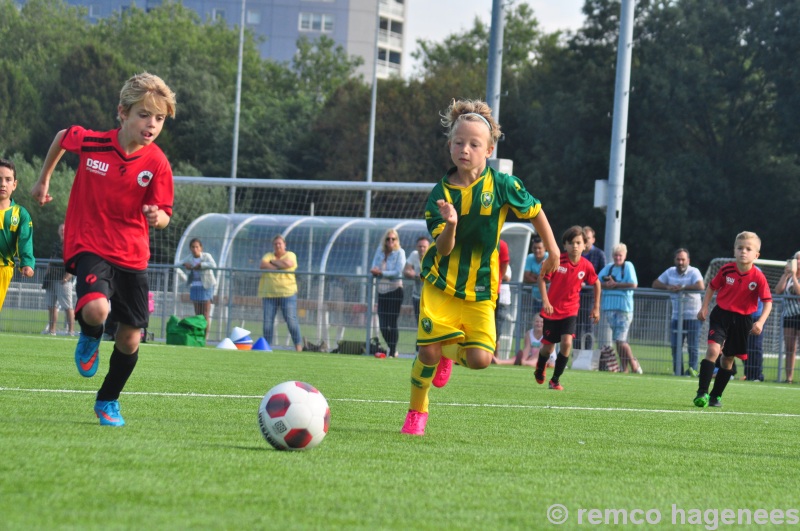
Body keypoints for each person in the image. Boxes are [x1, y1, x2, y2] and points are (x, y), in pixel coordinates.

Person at [400, 99, 560, 436]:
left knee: (480, 360)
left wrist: (554, 250)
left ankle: (450, 353)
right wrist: (452, 224)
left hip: (482, 287)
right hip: (440, 282)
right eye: (459, 143)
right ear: (449, 146)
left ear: (488, 150)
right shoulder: (439, 195)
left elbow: (535, 211)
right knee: (427, 352)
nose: (465, 149)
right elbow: (443, 248)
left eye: (474, 144)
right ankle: (417, 410)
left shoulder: (502, 185)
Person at [31, 72, 177, 427]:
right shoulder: (94, 143)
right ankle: (90, 334)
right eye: (144, 114)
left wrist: (156, 216)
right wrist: (43, 178)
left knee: (129, 339)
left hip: (132, 254)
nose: (151, 124)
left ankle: (108, 400)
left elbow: (165, 217)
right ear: (123, 113)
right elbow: (63, 137)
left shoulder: (157, 163)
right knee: (96, 309)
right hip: (89, 242)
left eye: (158, 118)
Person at [694, 231, 772, 407]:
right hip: (721, 315)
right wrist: (704, 307)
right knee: (713, 350)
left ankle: (716, 396)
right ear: (734, 251)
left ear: (756, 255)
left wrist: (760, 322)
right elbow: (711, 287)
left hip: (743, 321)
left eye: (748, 249)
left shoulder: (758, 277)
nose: (743, 251)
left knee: (728, 359)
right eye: (740, 248)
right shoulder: (726, 269)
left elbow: (768, 302)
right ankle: (702, 393)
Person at [534, 225, 601, 390]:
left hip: (570, 311)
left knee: (566, 343)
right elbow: (542, 279)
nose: (575, 246)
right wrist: (546, 301)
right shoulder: (557, 262)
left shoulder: (586, 265)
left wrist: (596, 307)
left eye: (578, 242)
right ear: (564, 245)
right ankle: (540, 366)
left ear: (585, 245)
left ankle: (555, 380)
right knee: (548, 347)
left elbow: (596, 283)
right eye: (571, 243)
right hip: (552, 311)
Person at [652, 248, 705, 376]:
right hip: (676, 316)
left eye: (683, 259)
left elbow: (700, 286)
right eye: (678, 259)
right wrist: (667, 287)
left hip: (693, 316)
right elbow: (655, 284)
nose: (680, 262)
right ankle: (678, 372)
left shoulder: (694, 272)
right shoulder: (670, 272)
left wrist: (682, 288)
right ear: (674, 260)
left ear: (688, 260)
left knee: (692, 347)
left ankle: (692, 371)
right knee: (676, 347)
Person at [597, 243, 641, 374]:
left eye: (620, 255)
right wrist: (606, 284)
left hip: (624, 309)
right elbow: (597, 281)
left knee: (621, 340)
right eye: (615, 255)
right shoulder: (608, 268)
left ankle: (633, 364)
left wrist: (616, 285)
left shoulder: (628, 266)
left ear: (625, 256)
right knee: (618, 340)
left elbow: (633, 284)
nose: (617, 258)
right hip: (609, 307)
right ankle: (624, 368)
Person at [0, 158, 34, 311]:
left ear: (14, 184)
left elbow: (25, 240)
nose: (3, 183)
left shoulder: (20, 214)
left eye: (8, 180)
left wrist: (27, 263)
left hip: (3, 269)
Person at [258, 234, 303, 352]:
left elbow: (288, 264)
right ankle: (266, 347)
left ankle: (298, 347)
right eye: (275, 244)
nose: (278, 246)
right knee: (268, 322)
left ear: (285, 245)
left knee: (291, 320)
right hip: (269, 294)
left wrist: (272, 263)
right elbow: (263, 265)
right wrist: (279, 265)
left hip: (287, 293)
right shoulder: (268, 255)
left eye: (280, 243)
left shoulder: (291, 255)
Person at [370, 229, 406, 358]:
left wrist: (382, 273)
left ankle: (392, 350)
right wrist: (375, 271)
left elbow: (398, 271)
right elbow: (374, 265)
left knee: (392, 322)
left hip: (395, 290)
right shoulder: (380, 251)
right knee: (383, 324)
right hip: (382, 291)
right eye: (388, 239)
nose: (390, 241)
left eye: (393, 239)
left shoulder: (400, 252)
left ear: (397, 240)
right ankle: (392, 348)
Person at [179, 238, 217, 340]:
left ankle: (205, 337)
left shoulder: (206, 256)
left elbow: (213, 265)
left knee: (205, 313)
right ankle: (198, 336)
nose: (195, 249)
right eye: (193, 247)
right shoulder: (190, 258)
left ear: (201, 248)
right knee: (197, 313)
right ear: (190, 248)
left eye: (197, 247)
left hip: (206, 286)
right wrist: (184, 264)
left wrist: (201, 265)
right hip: (195, 286)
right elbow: (178, 263)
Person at [43, 223, 76, 336]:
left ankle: (71, 331)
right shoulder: (56, 244)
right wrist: (46, 275)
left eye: (64, 229)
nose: (62, 231)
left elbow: (73, 262)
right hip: (51, 278)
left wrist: (66, 278)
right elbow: (51, 260)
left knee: (67, 306)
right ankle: (52, 330)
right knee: (51, 305)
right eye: (61, 229)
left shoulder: (71, 244)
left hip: (63, 280)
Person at [576, 226, 606, 350]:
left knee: (589, 326)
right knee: (576, 326)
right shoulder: (577, 253)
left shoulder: (599, 254)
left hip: (590, 296)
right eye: (584, 238)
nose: (586, 241)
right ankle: (575, 353)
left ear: (593, 239)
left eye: (588, 238)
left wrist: (587, 283)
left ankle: (587, 354)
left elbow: (603, 275)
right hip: (576, 296)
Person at [774, 251, 800, 383]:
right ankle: (788, 377)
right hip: (789, 315)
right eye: (797, 259)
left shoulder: (795, 277)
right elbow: (778, 290)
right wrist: (786, 274)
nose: (798, 262)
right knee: (790, 348)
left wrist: (795, 276)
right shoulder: (789, 277)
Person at [403, 235, 430, 326]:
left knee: (428, 320)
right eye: (420, 246)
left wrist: (417, 275)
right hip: (417, 295)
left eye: (424, 247)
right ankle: (420, 339)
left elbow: (430, 275)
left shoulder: (432, 256)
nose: (422, 248)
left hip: (429, 296)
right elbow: (406, 271)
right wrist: (416, 275)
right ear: (416, 247)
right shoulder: (414, 254)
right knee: (418, 320)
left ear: (428, 247)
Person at [493, 240, 512, 360]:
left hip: (496, 295)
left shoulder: (502, 245)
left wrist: (497, 280)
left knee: (496, 328)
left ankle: (494, 355)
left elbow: (506, 275)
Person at [523, 236, 548, 318]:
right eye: (535, 248)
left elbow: (548, 278)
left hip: (549, 297)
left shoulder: (549, 257)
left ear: (545, 248)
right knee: (536, 320)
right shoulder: (530, 257)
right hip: (536, 297)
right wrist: (541, 279)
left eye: (539, 248)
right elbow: (526, 276)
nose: (537, 250)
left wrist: (533, 276)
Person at [743, 296, 765, 382]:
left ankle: (757, 375)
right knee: (744, 346)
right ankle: (748, 374)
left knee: (755, 346)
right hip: (744, 315)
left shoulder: (760, 283)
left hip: (757, 316)